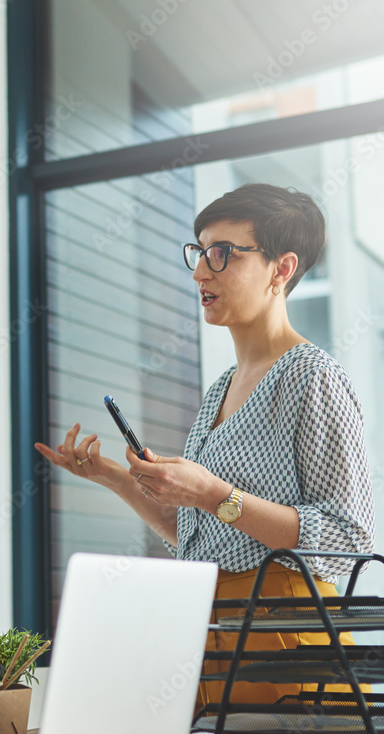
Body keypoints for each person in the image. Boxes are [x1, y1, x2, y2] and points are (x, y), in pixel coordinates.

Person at [35, 183, 375, 706]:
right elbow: (198, 535)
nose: (199, 272)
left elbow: (347, 538)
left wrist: (215, 494)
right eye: (198, 252)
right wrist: (116, 478)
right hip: (210, 631)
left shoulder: (312, 376)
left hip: (285, 631)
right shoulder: (220, 387)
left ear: (281, 269)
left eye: (221, 254)